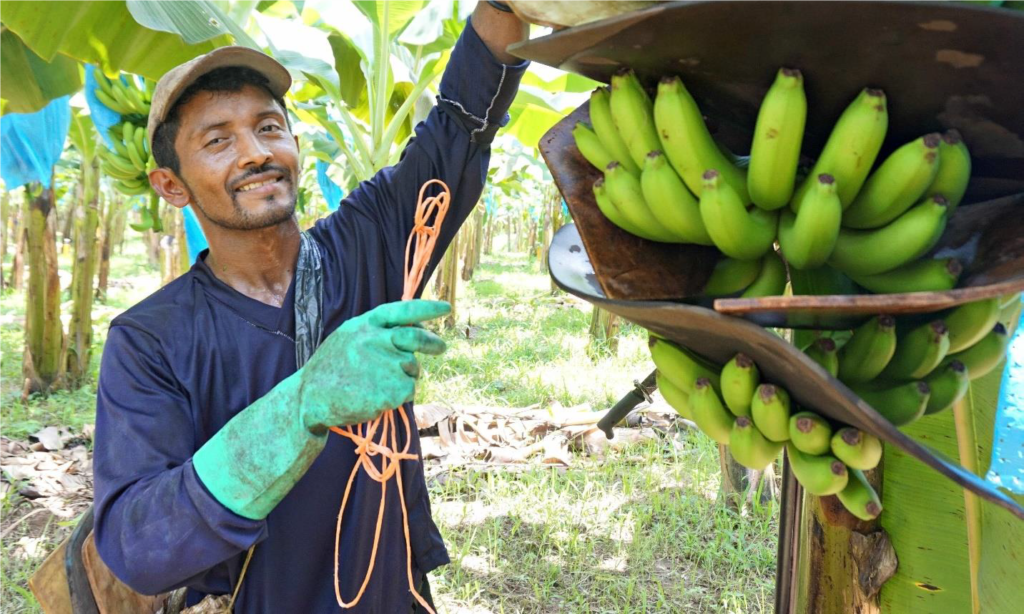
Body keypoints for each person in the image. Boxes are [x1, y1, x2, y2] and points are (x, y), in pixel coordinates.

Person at [92, 2, 529, 611]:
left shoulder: (369, 240)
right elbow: (136, 544)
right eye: (218, 141)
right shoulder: (150, 340)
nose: (253, 152)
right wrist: (304, 404)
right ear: (172, 184)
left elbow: (461, 124)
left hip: (388, 592)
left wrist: (505, 7)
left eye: (269, 128)